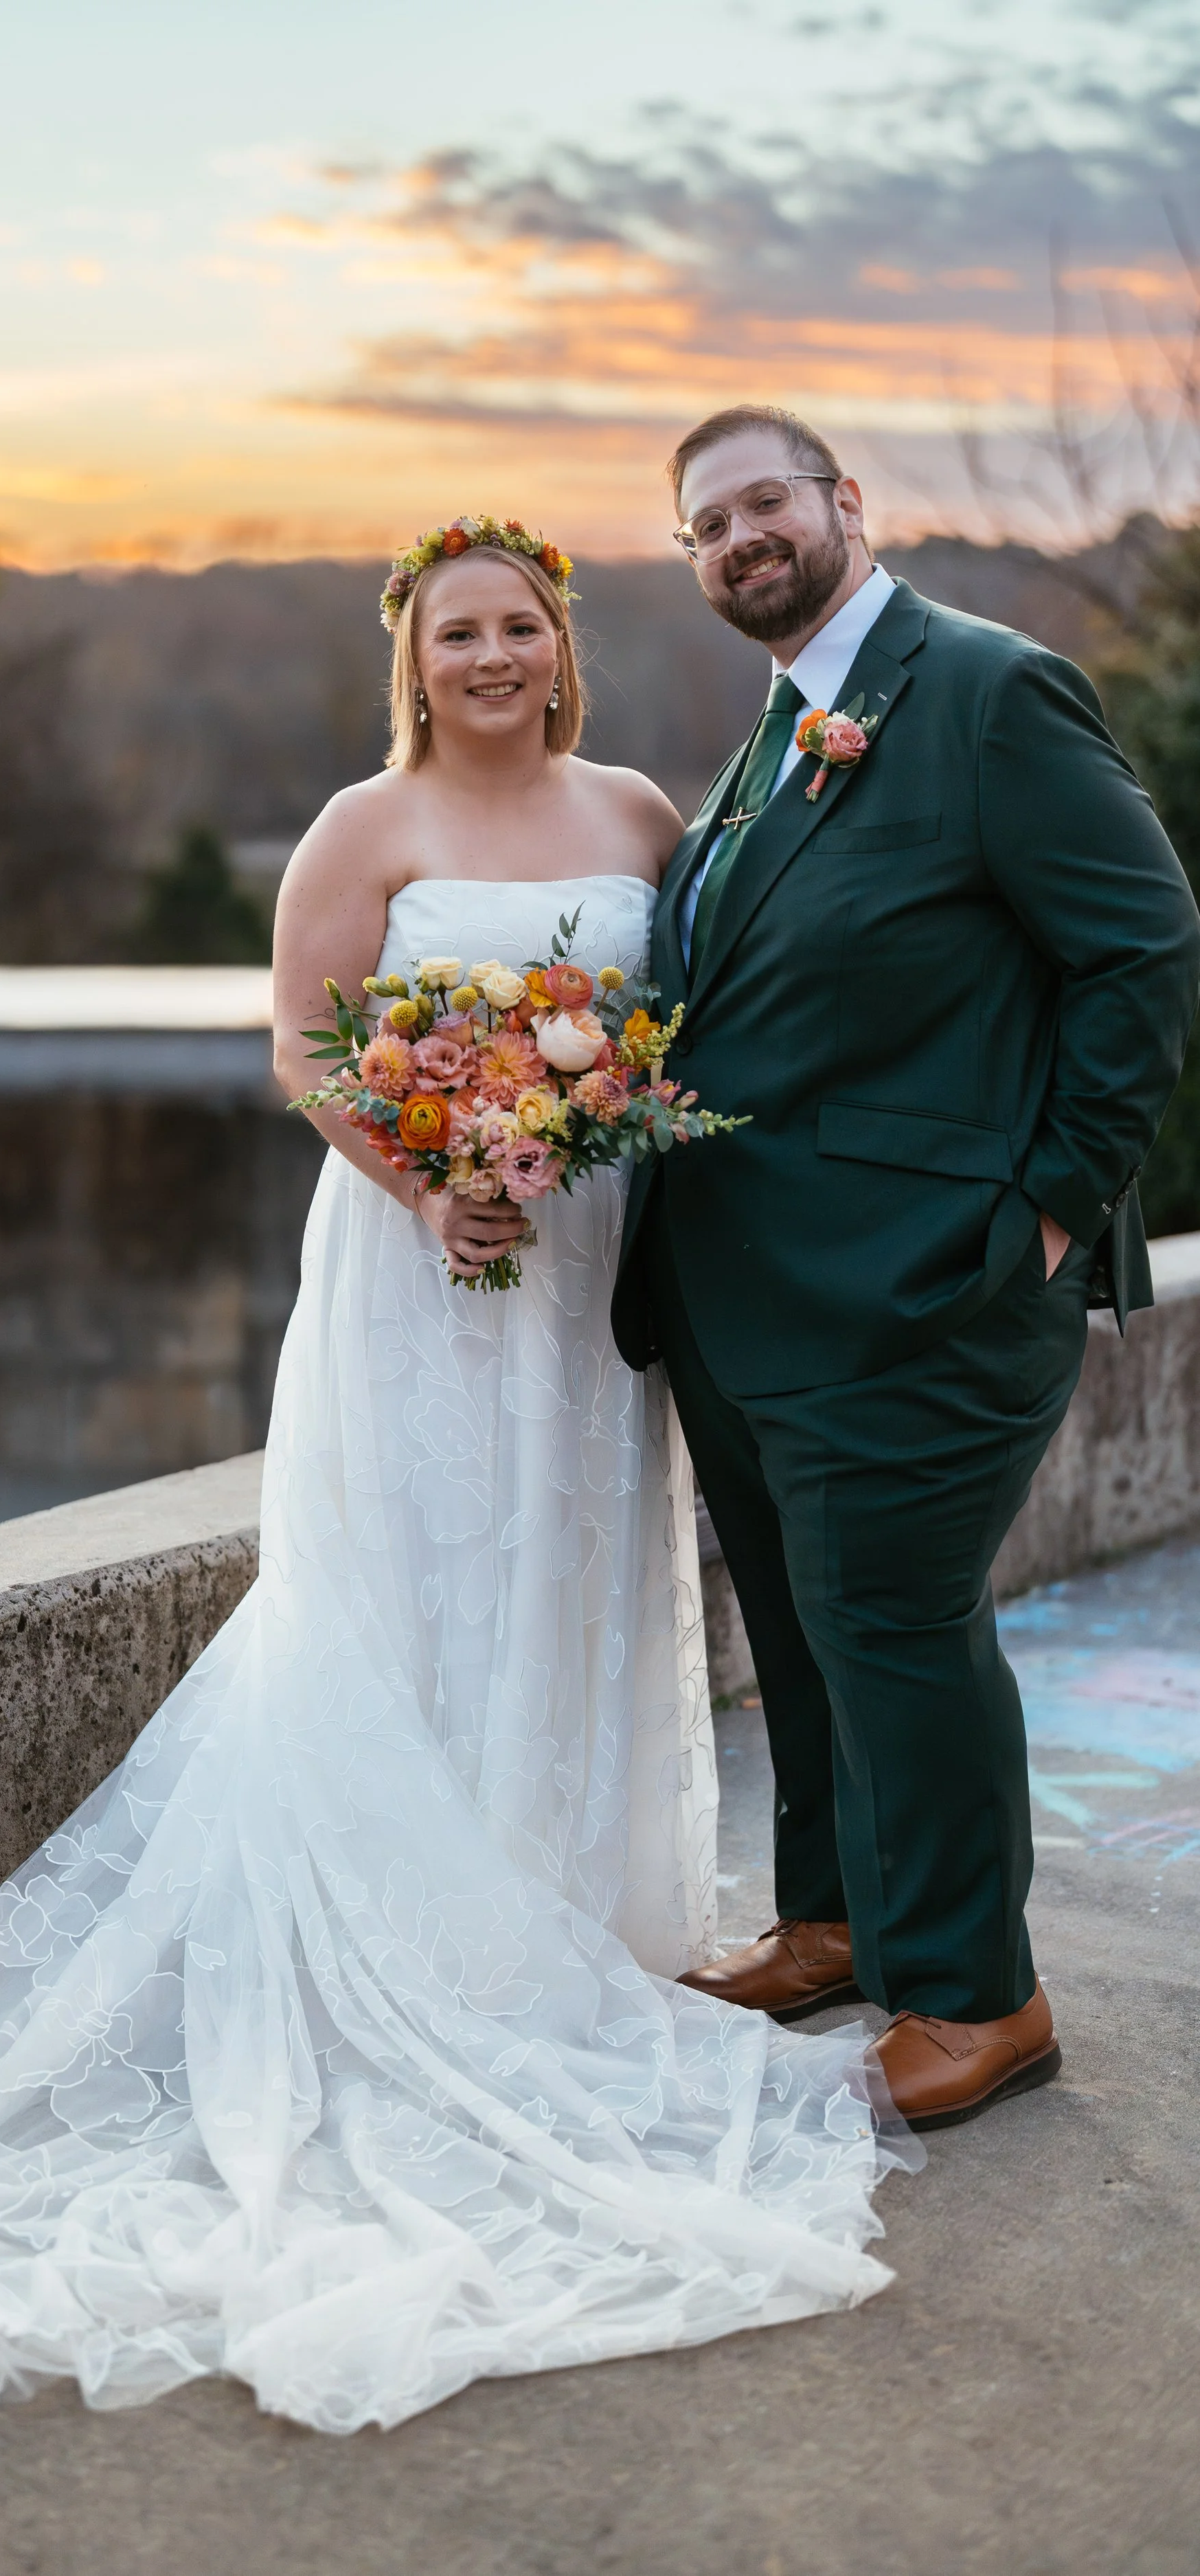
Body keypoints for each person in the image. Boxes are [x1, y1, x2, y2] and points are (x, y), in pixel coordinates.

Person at [0, 515, 914, 2438]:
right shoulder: (363, 825)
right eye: (458, 631)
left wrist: (577, 1123)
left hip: (589, 1269)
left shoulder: (633, 812)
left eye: (520, 625)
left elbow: (693, 1018)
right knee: (417, 1571)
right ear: (412, 655)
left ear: (562, 643)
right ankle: (410, 1949)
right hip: (419, 1271)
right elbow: (301, 1043)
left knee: (566, 1565)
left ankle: (551, 1924)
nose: (493, 656)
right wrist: (430, 1175)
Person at [614, 405, 1200, 2127]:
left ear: (844, 503)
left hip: (923, 1289)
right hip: (746, 1294)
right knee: (804, 1635)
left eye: (764, 502)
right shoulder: (771, 737)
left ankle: (972, 1997)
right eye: (705, 524)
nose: (739, 539)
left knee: (892, 1626)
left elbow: (1141, 945)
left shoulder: (985, 691)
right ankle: (834, 1921)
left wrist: (1048, 1207)